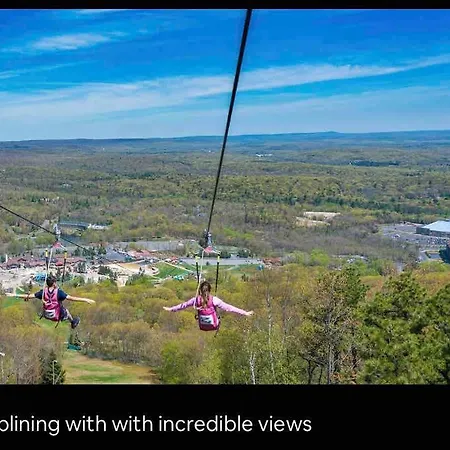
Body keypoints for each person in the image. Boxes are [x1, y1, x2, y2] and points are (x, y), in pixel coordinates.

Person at [7, 274, 95, 329]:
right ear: (54, 283)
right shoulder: (59, 293)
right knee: (66, 311)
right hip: (56, 316)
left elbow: (29, 296)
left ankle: (71, 321)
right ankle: (72, 322)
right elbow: (71, 298)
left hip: (46, 315)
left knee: (62, 309)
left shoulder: (43, 292)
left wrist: (14, 295)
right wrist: (85, 300)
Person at [163, 281, 253, 331]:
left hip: (202, 326)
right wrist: (245, 313)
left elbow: (183, 305)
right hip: (214, 325)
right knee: (218, 317)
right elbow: (229, 308)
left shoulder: (195, 300)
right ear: (209, 290)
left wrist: (171, 309)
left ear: (200, 290)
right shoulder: (214, 300)